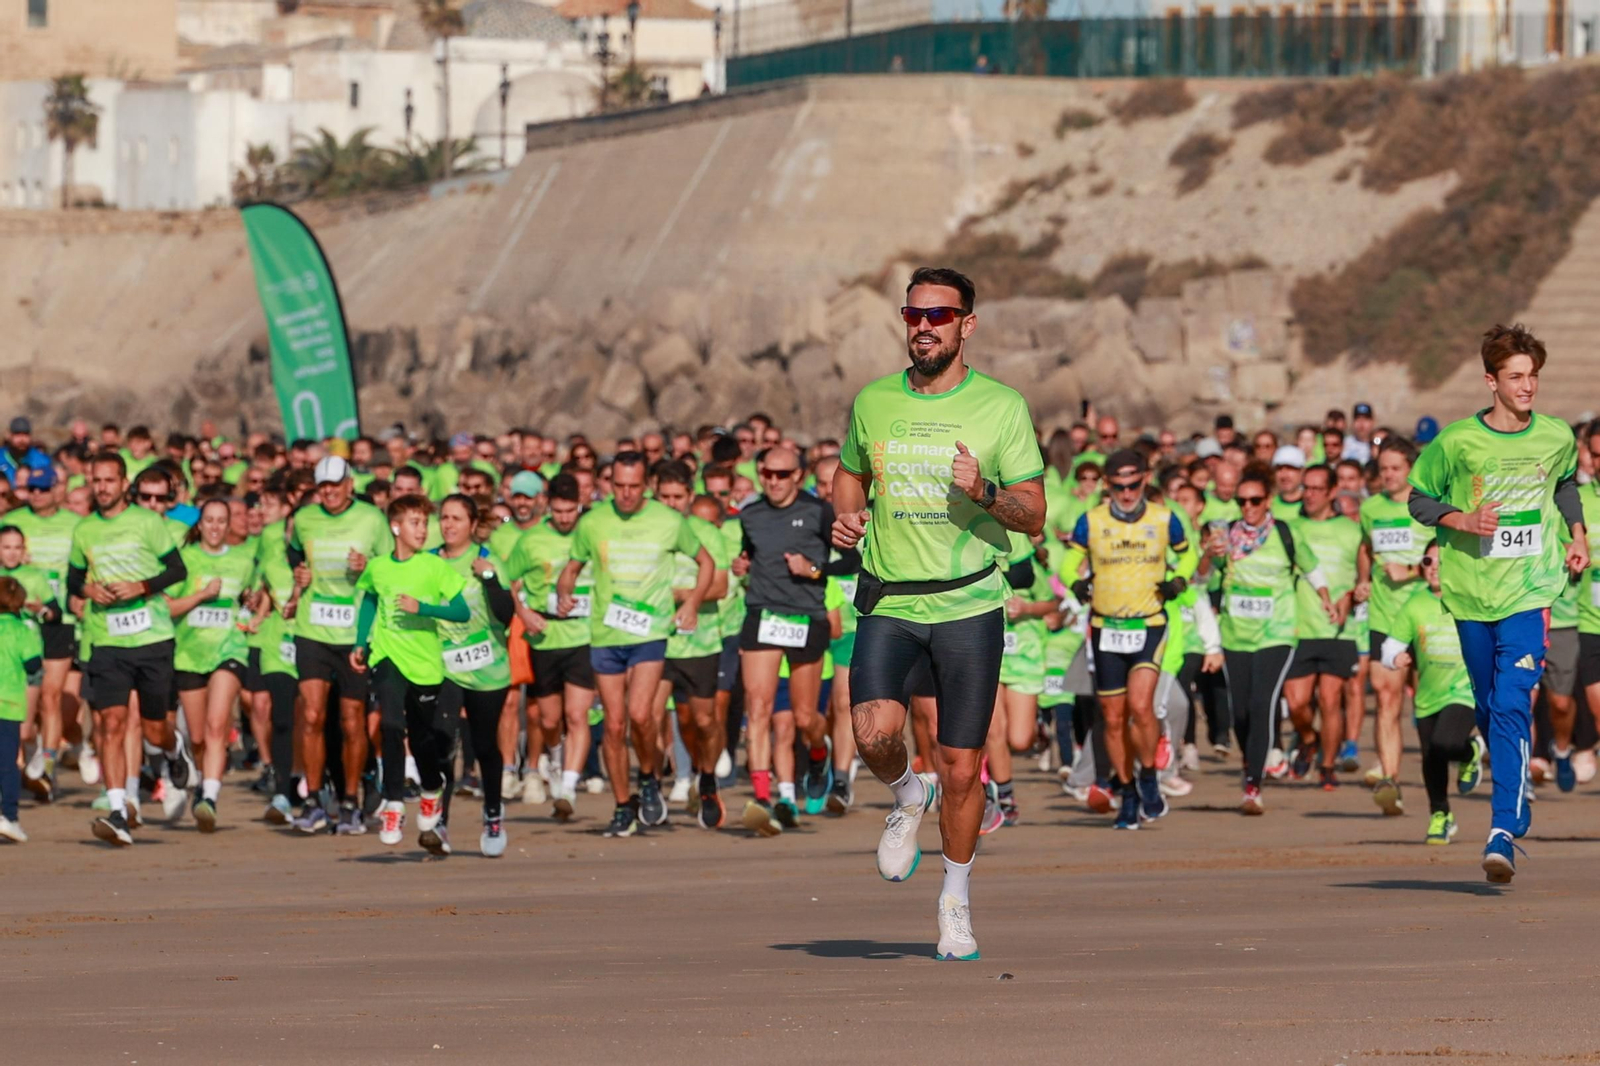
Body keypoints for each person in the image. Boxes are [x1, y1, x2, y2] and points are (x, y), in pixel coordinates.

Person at [832, 266, 1045, 962]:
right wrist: (844, 515)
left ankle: (955, 900)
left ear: (966, 325)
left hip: (968, 603)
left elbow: (1034, 518)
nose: (925, 326)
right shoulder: (872, 402)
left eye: (940, 316)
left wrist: (982, 489)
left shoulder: (1002, 407)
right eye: (914, 314)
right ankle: (903, 794)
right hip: (889, 599)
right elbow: (849, 471)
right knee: (871, 732)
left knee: (962, 767)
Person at [1408, 324, 1586, 883]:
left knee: (1511, 702)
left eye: (1532, 376)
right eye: (1516, 377)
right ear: (1492, 381)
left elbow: (1563, 484)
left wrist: (1576, 534)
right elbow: (1418, 498)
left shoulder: (1556, 435)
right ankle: (1515, 794)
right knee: (1488, 708)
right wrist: (1460, 519)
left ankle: (1502, 829)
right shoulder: (1458, 442)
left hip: (1529, 593)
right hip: (1469, 593)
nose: (1527, 386)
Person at [554, 451, 712, 838]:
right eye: (619, 486)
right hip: (606, 635)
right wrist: (563, 592)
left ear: (647, 486)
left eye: (634, 487)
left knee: (642, 716)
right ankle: (623, 805)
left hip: (649, 633)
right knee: (614, 724)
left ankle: (648, 777)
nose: (625, 495)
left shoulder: (669, 521)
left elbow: (705, 563)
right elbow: (571, 569)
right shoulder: (593, 523)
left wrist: (691, 604)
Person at [1062, 449, 1196, 830]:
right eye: (1118, 486)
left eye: (1133, 485)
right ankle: (1127, 790)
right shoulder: (1091, 521)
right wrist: (1075, 581)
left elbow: (1188, 556)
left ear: (1145, 479)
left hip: (1149, 623)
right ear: (1107, 485)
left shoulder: (1164, 518)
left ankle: (1150, 775)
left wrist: (1179, 580)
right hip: (1106, 627)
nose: (1126, 493)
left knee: (1141, 707)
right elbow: (1068, 561)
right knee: (1112, 717)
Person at [70, 453, 191, 846]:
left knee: (155, 729)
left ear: (125, 484)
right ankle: (120, 810)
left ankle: (175, 753)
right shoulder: (84, 529)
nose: (102, 487)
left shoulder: (147, 521)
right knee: (111, 723)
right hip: (107, 640)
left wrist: (142, 587)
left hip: (151, 637)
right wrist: (88, 589)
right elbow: (72, 579)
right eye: (96, 480)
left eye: (109, 480)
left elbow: (178, 571)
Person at [1203, 464, 1333, 814]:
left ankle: (1252, 785)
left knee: (1263, 702)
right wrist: (1206, 557)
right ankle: (1254, 761)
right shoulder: (1226, 534)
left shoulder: (1286, 534)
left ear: (1268, 501)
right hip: (1235, 633)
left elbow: (1310, 567)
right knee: (1241, 712)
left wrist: (1325, 597)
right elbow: (1204, 579)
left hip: (1277, 631)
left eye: (1255, 500)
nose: (1248, 507)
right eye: (1243, 501)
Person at [353, 494, 471, 852]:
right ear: (396, 527)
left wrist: (425, 607)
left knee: (423, 738)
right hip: (388, 656)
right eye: (415, 523)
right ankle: (392, 804)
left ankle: (431, 788)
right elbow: (370, 599)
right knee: (390, 724)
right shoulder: (377, 567)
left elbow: (462, 611)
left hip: (426, 665)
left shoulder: (433, 567)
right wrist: (360, 643)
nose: (423, 530)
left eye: (424, 523)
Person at [287, 456, 394, 835]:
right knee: (313, 715)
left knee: (352, 720)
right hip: (312, 628)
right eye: (322, 486)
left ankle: (350, 801)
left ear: (350, 483)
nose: (329, 491)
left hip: (355, 632)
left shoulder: (371, 519)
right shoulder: (304, 519)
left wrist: (368, 565)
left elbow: (392, 567)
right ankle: (314, 800)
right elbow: (294, 552)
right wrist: (297, 573)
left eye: (335, 484)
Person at [736, 444, 835, 834]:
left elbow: (848, 560)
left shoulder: (819, 511)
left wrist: (811, 568)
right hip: (762, 613)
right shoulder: (750, 514)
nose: (773, 481)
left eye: (782, 474)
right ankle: (762, 797)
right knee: (758, 710)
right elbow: (749, 553)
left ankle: (818, 752)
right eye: (767, 474)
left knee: (804, 717)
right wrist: (741, 564)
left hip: (806, 617)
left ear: (798, 476)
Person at [1381, 541, 1485, 845]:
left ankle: (1469, 750)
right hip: (1428, 694)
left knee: (1445, 742)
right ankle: (1440, 814)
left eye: (1441, 561)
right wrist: (1395, 659)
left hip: (1465, 690)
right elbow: (1390, 647)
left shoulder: (1471, 598)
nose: (1435, 567)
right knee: (1431, 757)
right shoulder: (1414, 604)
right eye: (1428, 561)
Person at [506, 473, 596, 819]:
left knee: (577, 715)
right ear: (548, 505)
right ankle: (556, 760)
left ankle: (569, 788)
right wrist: (523, 612)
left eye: (570, 510)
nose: (564, 518)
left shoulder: (590, 534)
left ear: (580, 505)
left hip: (583, 636)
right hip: (543, 637)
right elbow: (508, 582)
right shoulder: (531, 541)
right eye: (558, 511)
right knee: (548, 719)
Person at [163, 498, 256, 832]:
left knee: (219, 725)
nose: (215, 527)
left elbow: (253, 598)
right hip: (189, 654)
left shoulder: (244, 560)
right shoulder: (184, 560)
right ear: (199, 525)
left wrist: (254, 612)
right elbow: (168, 607)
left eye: (222, 521)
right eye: (210, 520)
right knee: (198, 738)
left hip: (229, 649)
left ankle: (211, 798)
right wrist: (201, 596)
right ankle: (202, 784)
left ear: (229, 524)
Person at [434, 493, 516, 857]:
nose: (449, 525)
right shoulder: (428, 562)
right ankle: (439, 822)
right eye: (444, 518)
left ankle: (493, 814)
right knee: (442, 744)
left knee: (484, 746)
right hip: (444, 668)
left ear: (471, 525)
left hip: (487, 668)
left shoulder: (486, 561)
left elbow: (505, 614)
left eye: (456, 518)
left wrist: (489, 579)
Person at [651, 466, 732, 828]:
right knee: (648, 716)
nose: (670, 504)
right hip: (654, 639)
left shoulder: (705, 532)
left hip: (700, 640)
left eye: (677, 497)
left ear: (689, 494)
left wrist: (681, 597)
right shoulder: (646, 530)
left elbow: (720, 588)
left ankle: (709, 779)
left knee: (701, 719)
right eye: (664, 497)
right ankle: (650, 783)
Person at [1357, 437, 1433, 815]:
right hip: (1384, 618)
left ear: (1410, 470)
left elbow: (1447, 555)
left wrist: (1414, 571)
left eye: (1395, 468)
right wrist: (1363, 580)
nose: (1387, 475)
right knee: (1386, 699)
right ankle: (1391, 781)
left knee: (1429, 706)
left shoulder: (1428, 504)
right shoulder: (1370, 508)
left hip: (1427, 616)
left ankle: (1447, 772)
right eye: (1382, 468)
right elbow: (1365, 549)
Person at [1282, 464, 1362, 789]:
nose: (1310, 494)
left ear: (1332, 492)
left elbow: (1365, 575)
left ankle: (1328, 766)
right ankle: (1308, 738)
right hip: (1297, 626)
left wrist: (1352, 598)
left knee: (1331, 700)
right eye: (1306, 488)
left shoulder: (1352, 530)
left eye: (1317, 488)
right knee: (1297, 703)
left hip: (1337, 629)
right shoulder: (1289, 527)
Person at [0, 576, 43, 843]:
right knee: (8, 764)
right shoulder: (22, 630)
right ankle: (10, 817)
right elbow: (33, 665)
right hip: (9, 704)